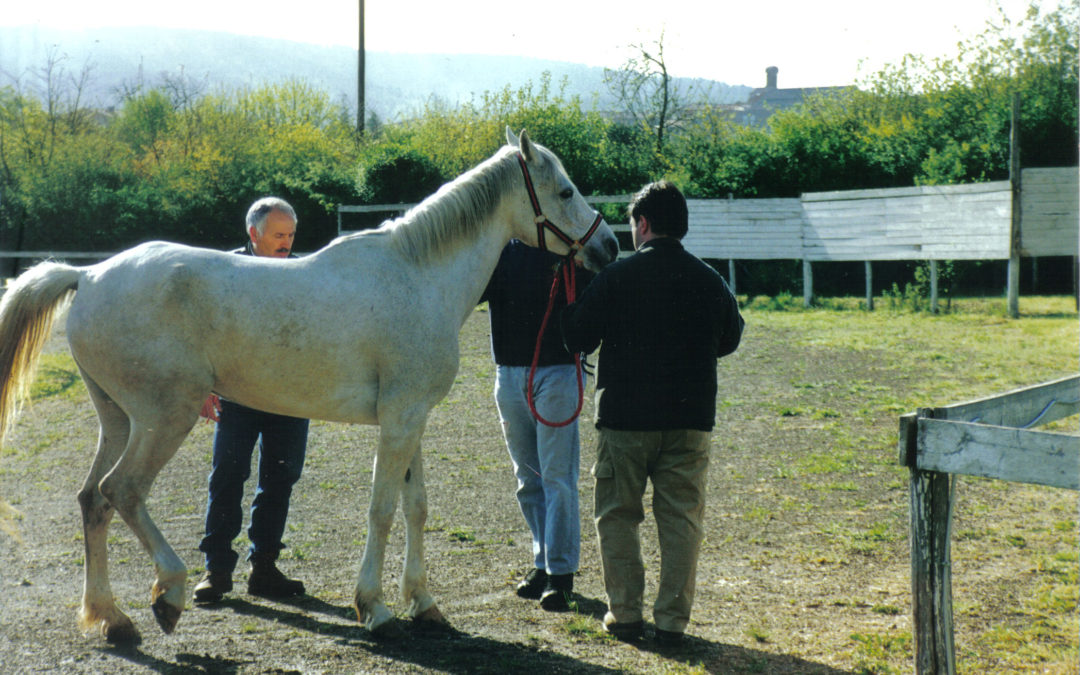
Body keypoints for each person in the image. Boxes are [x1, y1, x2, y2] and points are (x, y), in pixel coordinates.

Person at [560, 181, 744, 645]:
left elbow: (576, 337)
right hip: (691, 420)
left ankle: (624, 614)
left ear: (642, 224)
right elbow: (730, 339)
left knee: (619, 516)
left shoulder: (615, 278)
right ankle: (671, 623)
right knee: (682, 520)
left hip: (624, 419)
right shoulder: (711, 279)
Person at [193, 197, 311, 603]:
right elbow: (203, 333)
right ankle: (216, 570)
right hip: (238, 393)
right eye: (279, 235)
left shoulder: (303, 273)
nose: (286, 242)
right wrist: (205, 386)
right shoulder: (224, 273)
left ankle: (264, 568)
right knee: (228, 476)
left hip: (290, 396)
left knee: (279, 479)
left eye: (291, 235)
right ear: (253, 233)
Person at [481, 239, 593, 611]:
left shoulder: (569, 245)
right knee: (528, 477)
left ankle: (561, 574)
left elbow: (593, 294)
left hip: (557, 370)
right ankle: (542, 562)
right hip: (509, 371)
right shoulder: (500, 248)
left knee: (557, 476)